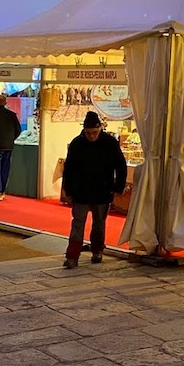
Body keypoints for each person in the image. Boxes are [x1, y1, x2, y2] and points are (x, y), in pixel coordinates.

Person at [61, 111, 129, 268]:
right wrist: (68, 190)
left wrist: (118, 186)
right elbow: (69, 169)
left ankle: (97, 250)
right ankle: (72, 256)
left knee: (99, 224)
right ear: (84, 130)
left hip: (102, 190)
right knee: (78, 224)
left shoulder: (110, 143)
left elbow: (120, 165)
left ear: (100, 129)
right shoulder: (77, 144)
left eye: (94, 132)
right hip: (81, 192)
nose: (91, 136)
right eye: (88, 133)